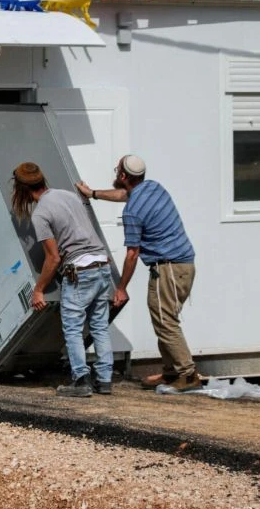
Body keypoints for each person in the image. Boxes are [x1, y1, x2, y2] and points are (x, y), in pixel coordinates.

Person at [76, 155, 202, 391]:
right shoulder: (154, 188)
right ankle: (170, 372)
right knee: (163, 320)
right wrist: (92, 193)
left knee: (166, 322)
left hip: (170, 268)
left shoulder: (133, 212)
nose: (115, 175)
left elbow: (132, 254)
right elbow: (124, 195)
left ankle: (188, 374)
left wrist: (121, 288)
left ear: (123, 176)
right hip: (179, 265)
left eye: (117, 171)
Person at [11, 162, 115, 398]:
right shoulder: (67, 195)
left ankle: (81, 380)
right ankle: (105, 380)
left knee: (73, 328)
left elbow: (53, 257)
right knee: (99, 326)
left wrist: (39, 290)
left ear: (22, 190)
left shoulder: (41, 213)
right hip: (101, 265)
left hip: (80, 271)